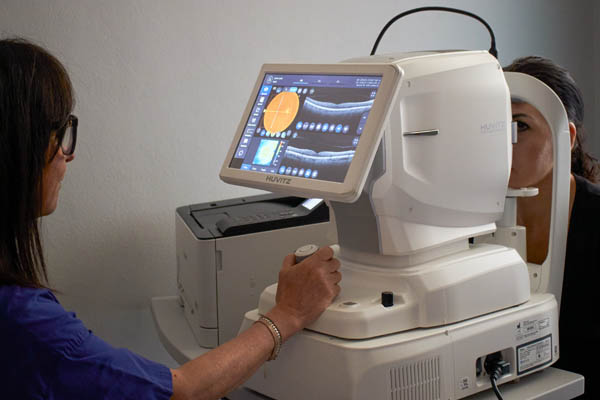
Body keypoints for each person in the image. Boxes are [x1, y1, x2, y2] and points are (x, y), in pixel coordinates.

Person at [0, 38, 342, 400]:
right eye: (58, 134)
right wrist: (288, 314)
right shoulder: (24, 321)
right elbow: (183, 391)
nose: (66, 156)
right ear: (18, 150)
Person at [505, 56, 600, 399]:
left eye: (520, 126)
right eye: (494, 125)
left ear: (567, 138)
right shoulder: (475, 222)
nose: (504, 142)